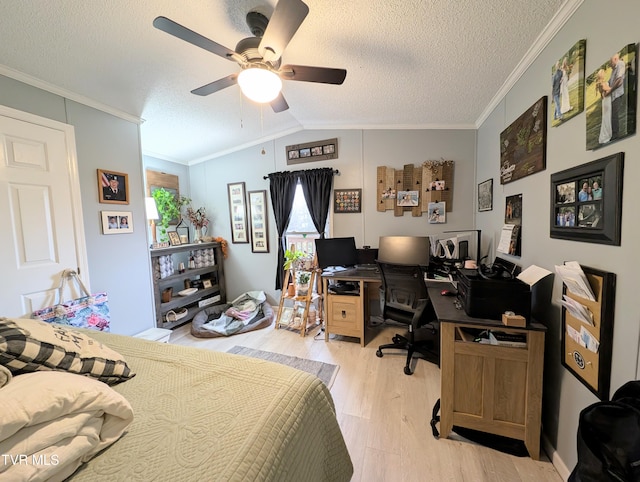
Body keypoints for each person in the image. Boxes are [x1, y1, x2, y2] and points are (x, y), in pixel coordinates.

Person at [605, 53, 626, 140]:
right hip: (613, 96)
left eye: (611, 63)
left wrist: (610, 90)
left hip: (617, 94)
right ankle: (613, 133)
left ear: (615, 60)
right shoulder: (614, 69)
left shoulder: (620, 64)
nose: (610, 66)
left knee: (614, 115)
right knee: (612, 115)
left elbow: (619, 81)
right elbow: (610, 81)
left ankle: (615, 134)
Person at [597, 69, 612, 144]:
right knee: (607, 117)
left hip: (605, 101)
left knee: (606, 117)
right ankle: (606, 135)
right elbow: (609, 89)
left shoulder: (600, 84)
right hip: (606, 101)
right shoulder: (602, 84)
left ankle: (607, 133)